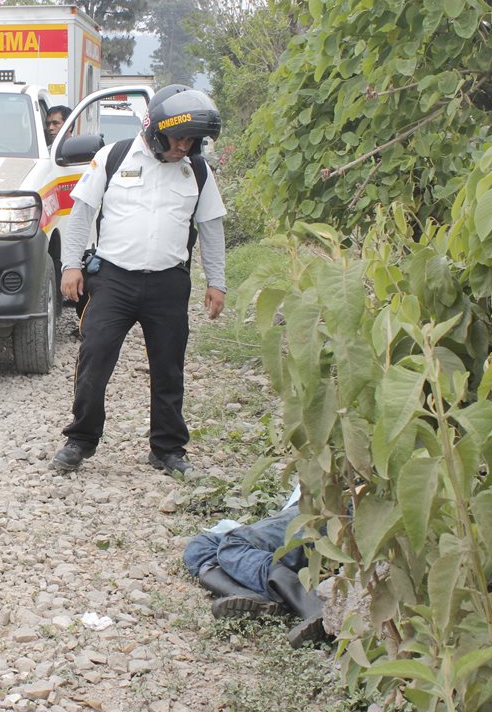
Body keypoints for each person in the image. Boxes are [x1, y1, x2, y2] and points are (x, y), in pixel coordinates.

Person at [51, 87, 227, 476]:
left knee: (168, 368)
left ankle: (167, 449)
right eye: (178, 138)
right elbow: (82, 213)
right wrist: (70, 266)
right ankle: (80, 440)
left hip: (169, 284)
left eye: (191, 140)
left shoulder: (197, 170)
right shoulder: (112, 158)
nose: (184, 146)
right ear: (155, 130)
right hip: (113, 281)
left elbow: (211, 227)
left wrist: (217, 282)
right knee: (94, 357)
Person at [184, 503, 327, 648]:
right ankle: (252, 596)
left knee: (233, 543)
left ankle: (314, 604)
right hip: (308, 513)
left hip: (321, 510)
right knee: (200, 547)